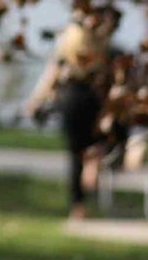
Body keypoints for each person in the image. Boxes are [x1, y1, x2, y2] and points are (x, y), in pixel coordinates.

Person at [25, 15, 113, 221]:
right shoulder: (103, 47)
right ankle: (94, 165)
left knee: (75, 155)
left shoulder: (67, 47)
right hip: (95, 100)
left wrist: (36, 101)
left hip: (70, 99)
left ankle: (78, 206)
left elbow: (50, 76)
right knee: (97, 144)